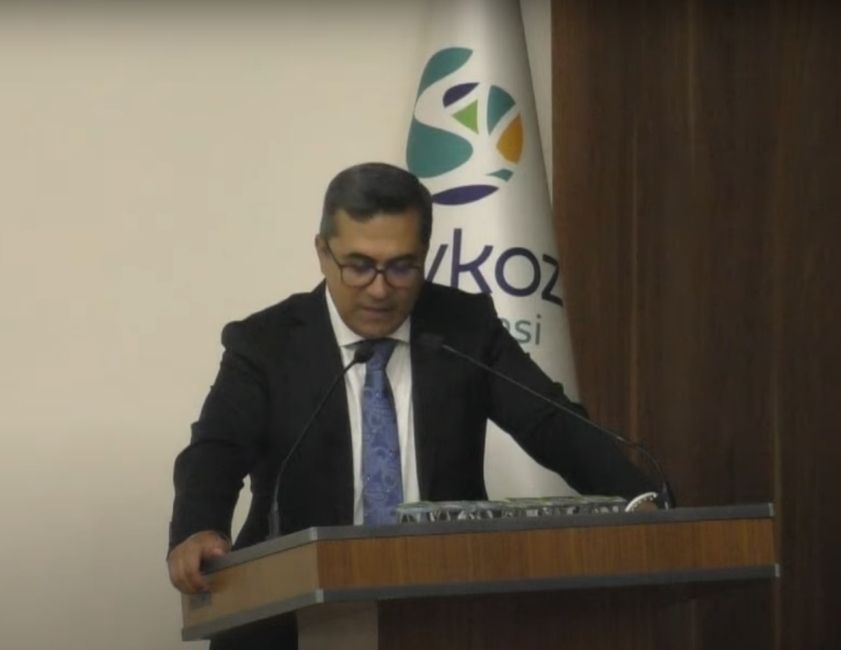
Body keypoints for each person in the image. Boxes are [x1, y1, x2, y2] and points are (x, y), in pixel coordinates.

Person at [167, 162, 655, 649]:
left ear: (426, 255)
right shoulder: (266, 343)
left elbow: (548, 420)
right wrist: (198, 527)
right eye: (359, 266)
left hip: (446, 612)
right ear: (322, 252)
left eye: (402, 267)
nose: (380, 289)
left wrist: (639, 500)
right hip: (290, 616)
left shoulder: (464, 327)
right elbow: (216, 448)